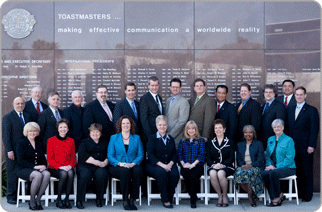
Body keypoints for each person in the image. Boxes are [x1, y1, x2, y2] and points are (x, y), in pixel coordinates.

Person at [287, 87, 319, 202]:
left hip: (306, 146)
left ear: (305, 95)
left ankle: (308, 194)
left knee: (307, 170)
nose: (299, 96)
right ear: (294, 95)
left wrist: (312, 145)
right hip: (292, 147)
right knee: (297, 170)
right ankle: (299, 192)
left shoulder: (312, 110)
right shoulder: (290, 109)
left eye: (301, 94)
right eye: (297, 94)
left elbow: (314, 129)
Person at [108, 116, 144, 210]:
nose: (126, 125)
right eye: (123, 123)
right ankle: (125, 200)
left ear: (131, 125)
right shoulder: (114, 138)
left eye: (128, 123)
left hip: (132, 164)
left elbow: (140, 154)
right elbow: (110, 155)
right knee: (125, 172)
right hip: (117, 165)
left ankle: (132, 199)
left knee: (138, 171)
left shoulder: (136, 138)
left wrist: (133, 163)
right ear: (120, 125)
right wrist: (120, 164)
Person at [2, 97, 32, 204]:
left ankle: (25, 195)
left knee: (26, 172)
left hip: (25, 151)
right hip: (13, 151)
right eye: (18, 103)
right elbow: (6, 136)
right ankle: (11, 196)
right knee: (12, 173)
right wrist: (9, 150)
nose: (20, 105)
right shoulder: (7, 117)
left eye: (22, 103)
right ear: (13, 104)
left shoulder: (28, 116)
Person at [145, 115, 179, 208]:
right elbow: (151, 155)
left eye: (164, 125)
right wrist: (163, 166)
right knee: (162, 173)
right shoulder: (152, 138)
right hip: (155, 164)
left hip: (169, 163)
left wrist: (170, 164)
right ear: (156, 126)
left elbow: (174, 154)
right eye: (160, 125)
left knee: (174, 174)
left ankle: (170, 197)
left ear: (167, 126)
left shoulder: (170, 139)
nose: (162, 127)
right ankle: (165, 199)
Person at [16, 122, 50, 210]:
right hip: (23, 168)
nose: (32, 133)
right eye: (30, 131)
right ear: (26, 132)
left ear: (37, 132)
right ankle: (32, 200)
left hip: (37, 168)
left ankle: (38, 199)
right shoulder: (21, 143)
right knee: (37, 175)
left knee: (47, 174)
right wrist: (34, 167)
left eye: (34, 131)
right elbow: (20, 160)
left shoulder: (39, 142)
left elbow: (42, 158)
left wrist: (44, 166)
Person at [262, 119, 296, 207]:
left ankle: (276, 198)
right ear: (273, 129)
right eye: (274, 127)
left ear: (283, 128)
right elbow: (267, 155)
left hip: (289, 167)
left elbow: (290, 158)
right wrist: (270, 165)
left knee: (273, 173)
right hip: (273, 168)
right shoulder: (270, 139)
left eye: (278, 127)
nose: (276, 128)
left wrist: (276, 167)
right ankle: (278, 195)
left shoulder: (289, 140)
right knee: (264, 173)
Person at [76, 123, 108, 209]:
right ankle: (79, 200)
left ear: (100, 133)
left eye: (97, 132)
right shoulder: (84, 142)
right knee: (85, 176)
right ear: (89, 133)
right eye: (93, 132)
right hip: (85, 165)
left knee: (102, 175)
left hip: (101, 165)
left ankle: (99, 199)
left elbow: (109, 155)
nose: (95, 134)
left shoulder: (105, 142)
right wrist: (95, 162)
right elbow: (82, 155)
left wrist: (105, 163)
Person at [47, 119, 76, 209]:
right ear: (58, 129)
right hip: (55, 167)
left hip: (68, 167)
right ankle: (59, 199)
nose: (63, 129)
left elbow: (73, 157)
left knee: (70, 173)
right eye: (61, 127)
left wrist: (70, 166)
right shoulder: (51, 140)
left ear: (67, 129)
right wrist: (60, 167)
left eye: (65, 127)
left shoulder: (71, 141)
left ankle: (66, 199)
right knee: (63, 174)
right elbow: (50, 159)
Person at [206, 119, 234, 207]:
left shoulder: (229, 141)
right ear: (214, 130)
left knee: (221, 173)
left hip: (227, 166)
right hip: (214, 165)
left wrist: (222, 165)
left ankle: (225, 195)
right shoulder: (210, 142)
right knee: (212, 173)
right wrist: (213, 165)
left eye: (220, 128)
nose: (218, 130)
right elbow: (208, 157)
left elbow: (231, 157)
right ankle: (219, 196)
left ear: (224, 129)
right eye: (216, 128)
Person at [177, 121, 205, 208]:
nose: (191, 130)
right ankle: (193, 195)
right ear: (186, 130)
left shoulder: (200, 141)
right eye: (189, 129)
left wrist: (193, 164)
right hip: (185, 165)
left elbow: (202, 154)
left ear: (196, 130)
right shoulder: (182, 141)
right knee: (185, 173)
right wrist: (184, 164)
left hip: (197, 165)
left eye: (193, 128)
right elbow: (179, 154)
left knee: (193, 177)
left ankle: (193, 200)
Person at [234, 125, 265, 207]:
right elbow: (238, 159)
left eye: (250, 132)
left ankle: (250, 197)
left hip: (256, 167)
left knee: (250, 173)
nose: (248, 134)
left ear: (253, 134)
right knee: (237, 173)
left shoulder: (258, 144)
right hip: (244, 166)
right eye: (246, 132)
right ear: (243, 134)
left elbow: (261, 159)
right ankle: (252, 193)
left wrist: (250, 165)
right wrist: (243, 165)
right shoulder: (239, 144)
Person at [260, 84, 286, 149]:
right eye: (266, 92)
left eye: (270, 92)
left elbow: (280, 124)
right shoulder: (262, 106)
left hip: (274, 141)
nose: (268, 94)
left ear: (274, 94)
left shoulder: (279, 106)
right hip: (262, 140)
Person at [165, 78, 190, 147]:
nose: (175, 89)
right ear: (170, 88)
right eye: (173, 87)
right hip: (166, 134)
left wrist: (171, 134)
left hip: (177, 136)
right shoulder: (168, 100)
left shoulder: (184, 101)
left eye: (177, 87)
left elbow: (182, 121)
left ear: (180, 88)